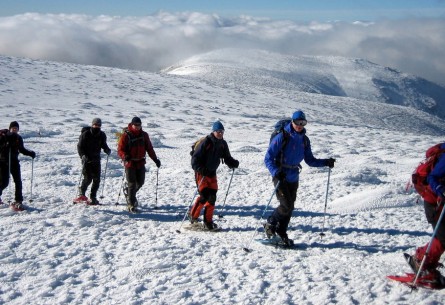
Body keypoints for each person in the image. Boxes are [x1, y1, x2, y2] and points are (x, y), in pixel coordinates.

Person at [264, 110, 335, 246]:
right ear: (292, 121)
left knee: (290, 207)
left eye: (303, 123)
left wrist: (325, 162)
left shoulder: (304, 140)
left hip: (293, 176)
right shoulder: (282, 137)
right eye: (297, 122)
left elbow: (309, 160)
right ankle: (270, 223)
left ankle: (281, 231)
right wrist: (275, 172)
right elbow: (268, 158)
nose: (300, 125)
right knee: (286, 205)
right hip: (280, 174)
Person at [405, 144, 445, 285]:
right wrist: (441, 189)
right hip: (435, 202)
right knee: (443, 237)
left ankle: (423, 261)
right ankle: (421, 260)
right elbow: (432, 178)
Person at [189, 121, 239, 230]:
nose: (220, 133)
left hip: (212, 173)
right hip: (201, 173)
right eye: (218, 131)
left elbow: (227, 157)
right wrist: (201, 170)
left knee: (212, 197)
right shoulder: (206, 142)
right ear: (213, 131)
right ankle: (193, 216)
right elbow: (194, 160)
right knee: (204, 196)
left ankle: (208, 221)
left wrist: (233, 163)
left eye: (222, 131)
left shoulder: (223, 144)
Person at [117, 116, 161, 212]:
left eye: (139, 125)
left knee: (140, 182)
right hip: (130, 163)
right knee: (132, 184)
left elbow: (149, 148)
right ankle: (131, 204)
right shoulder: (125, 136)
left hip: (140, 162)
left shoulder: (144, 135)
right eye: (135, 125)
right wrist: (125, 156)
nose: (137, 127)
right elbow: (120, 150)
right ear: (131, 125)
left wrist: (155, 159)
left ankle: (129, 193)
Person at [0, 121, 36, 210]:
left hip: (14, 162)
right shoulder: (4, 137)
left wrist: (30, 153)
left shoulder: (18, 138)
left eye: (16, 128)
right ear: (10, 128)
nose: (15, 130)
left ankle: (18, 200)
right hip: (3, 162)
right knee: (4, 182)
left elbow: (22, 150)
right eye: (13, 128)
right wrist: (5, 145)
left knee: (18, 181)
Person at [75, 118, 111, 205]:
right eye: (95, 125)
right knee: (88, 178)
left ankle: (93, 197)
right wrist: (82, 156)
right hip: (86, 160)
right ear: (92, 125)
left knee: (97, 180)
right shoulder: (85, 134)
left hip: (96, 159)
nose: (97, 126)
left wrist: (106, 149)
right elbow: (80, 147)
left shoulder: (102, 135)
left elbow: (103, 144)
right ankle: (82, 192)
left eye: (99, 125)